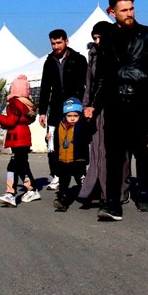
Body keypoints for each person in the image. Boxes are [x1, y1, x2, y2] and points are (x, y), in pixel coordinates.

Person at [88, 0, 148, 221]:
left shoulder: (147, 34)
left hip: (139, 100)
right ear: (112, 12)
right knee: (113, 153)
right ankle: (113, 202)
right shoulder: (108, 38)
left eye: (131, 9)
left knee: (139, 148)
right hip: (114, 103)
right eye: (124, 10)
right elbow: (103, 76)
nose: (129, 14)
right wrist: (93, 105)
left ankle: (142, 190)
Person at [78, 21, 131, 207]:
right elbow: (90, 84)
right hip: (96, 109)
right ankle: (97, 189)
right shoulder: (92, 54)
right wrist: (87, 106)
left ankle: (120, 190)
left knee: (116, 151)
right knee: (97, 149)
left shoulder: (118, 52)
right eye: (94, 38)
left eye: (100, 37)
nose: (97, 41)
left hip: (116, 106)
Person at [38, 29, 88, 192]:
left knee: (78, 141)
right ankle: (57, 175)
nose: (56, 46)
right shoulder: (49, 61)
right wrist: (43, 111)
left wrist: (87, 105)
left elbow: (88, 84)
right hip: (56, 109)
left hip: (75, 107)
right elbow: (45, 87)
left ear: (67, 41)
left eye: (59, 42)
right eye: (53, 43)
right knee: (52, 142)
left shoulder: (78, 59)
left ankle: (81, 175)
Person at [0, 75, 40, 207]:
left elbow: (11, 121)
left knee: (13, 165)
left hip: (17, 137)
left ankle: (10, 193)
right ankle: (32, 189)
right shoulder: (28, 104)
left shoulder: (15, 103)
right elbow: (24, 120)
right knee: (22, 165)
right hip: (25, 135)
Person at [52, 98, 89, 211]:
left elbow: (88, 137)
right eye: (69, 115)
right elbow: (56, 143)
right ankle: (62, 201)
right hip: (63, 161)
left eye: (75, 115)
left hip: (78, 160)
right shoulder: (60, 126)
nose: (72, 118)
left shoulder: (82, 126)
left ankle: (89, 198)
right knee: (63, 183)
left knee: (82, 180)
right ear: (65, 116)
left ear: (80, 115)